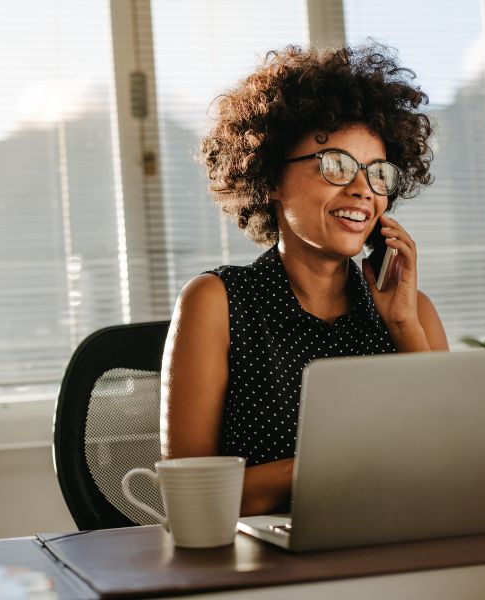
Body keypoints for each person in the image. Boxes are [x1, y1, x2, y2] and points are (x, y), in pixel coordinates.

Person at [160, 44, 449, 517]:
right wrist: (337, 463)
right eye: (335, 165)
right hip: (265, 567)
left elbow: (452, 465)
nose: (362, 189)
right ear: (271, 178)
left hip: (392, 545)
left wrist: (403, 328)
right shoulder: (217, 302)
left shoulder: (413, 312)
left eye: (378, 173)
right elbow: (190, 497)